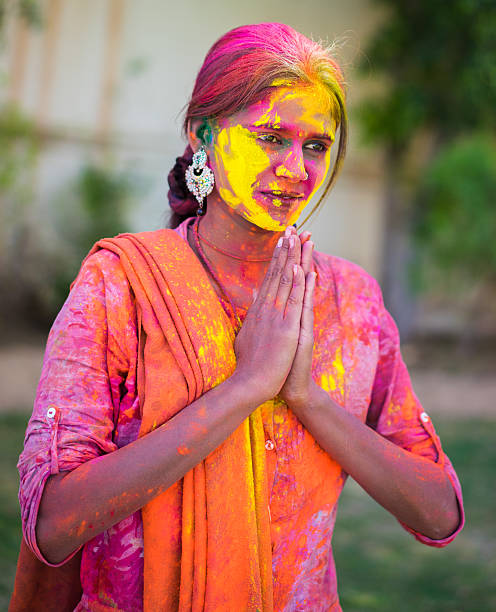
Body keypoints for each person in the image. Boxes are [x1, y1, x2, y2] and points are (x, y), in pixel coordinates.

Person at [13, 22, 464, 612]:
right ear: (203, 135)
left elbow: (440, 513)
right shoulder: (121, 286)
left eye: (316, 146)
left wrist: (307, 398)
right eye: (272, 137)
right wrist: (246, 387)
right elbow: (51, 522)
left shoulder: (352, 303)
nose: (297, 168)